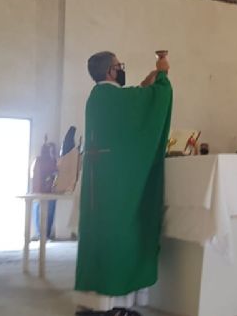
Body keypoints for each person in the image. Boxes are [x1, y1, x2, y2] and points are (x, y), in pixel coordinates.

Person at [74, 51, 172, 315]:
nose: (121, 69)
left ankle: (95, 304)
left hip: (102, 181)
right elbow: (149, 103)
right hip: (114, 186)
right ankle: (114, 307)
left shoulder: (100, 96)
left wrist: (144, 85)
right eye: (118, 66)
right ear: (109, 71)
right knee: (120, 235)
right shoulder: (111, 97)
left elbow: (132, 101)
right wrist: (162, 75)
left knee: (101, 236)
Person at [31, 140, 58, 241]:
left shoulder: (54, 161)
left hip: (51, 191)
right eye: (50, 151)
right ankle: (39, 234)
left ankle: (46, 234)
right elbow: (36, 176)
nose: (51, 153)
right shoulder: (39, 161)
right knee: (39, 211)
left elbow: (56, 174)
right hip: (40, 191)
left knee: (50, 212)